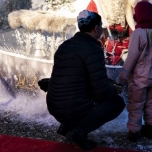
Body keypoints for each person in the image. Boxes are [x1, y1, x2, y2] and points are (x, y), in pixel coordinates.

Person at [46, 10, 125, 150]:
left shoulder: (66, 45)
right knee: (117, 103)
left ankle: (66, 126)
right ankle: (79, 132)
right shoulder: (93, 49)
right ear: (96, 28)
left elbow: (74, 77)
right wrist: (116, 89)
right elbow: (101, 91)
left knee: (80, 95)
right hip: (71, 108)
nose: (102, 29)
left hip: (54, 105)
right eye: (101, 26)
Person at [118, 1, 152, 142]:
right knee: (151, 102)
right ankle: (150, 129)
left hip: (140, 77)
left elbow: (132, 55)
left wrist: (125, 73)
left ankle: (134, 132)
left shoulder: (138, 33)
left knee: (136, 104)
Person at [86, 0, 149, 65]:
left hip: (127, 44)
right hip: (104, 43)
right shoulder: (99, 0)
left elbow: (146, 11)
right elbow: (87, 21)